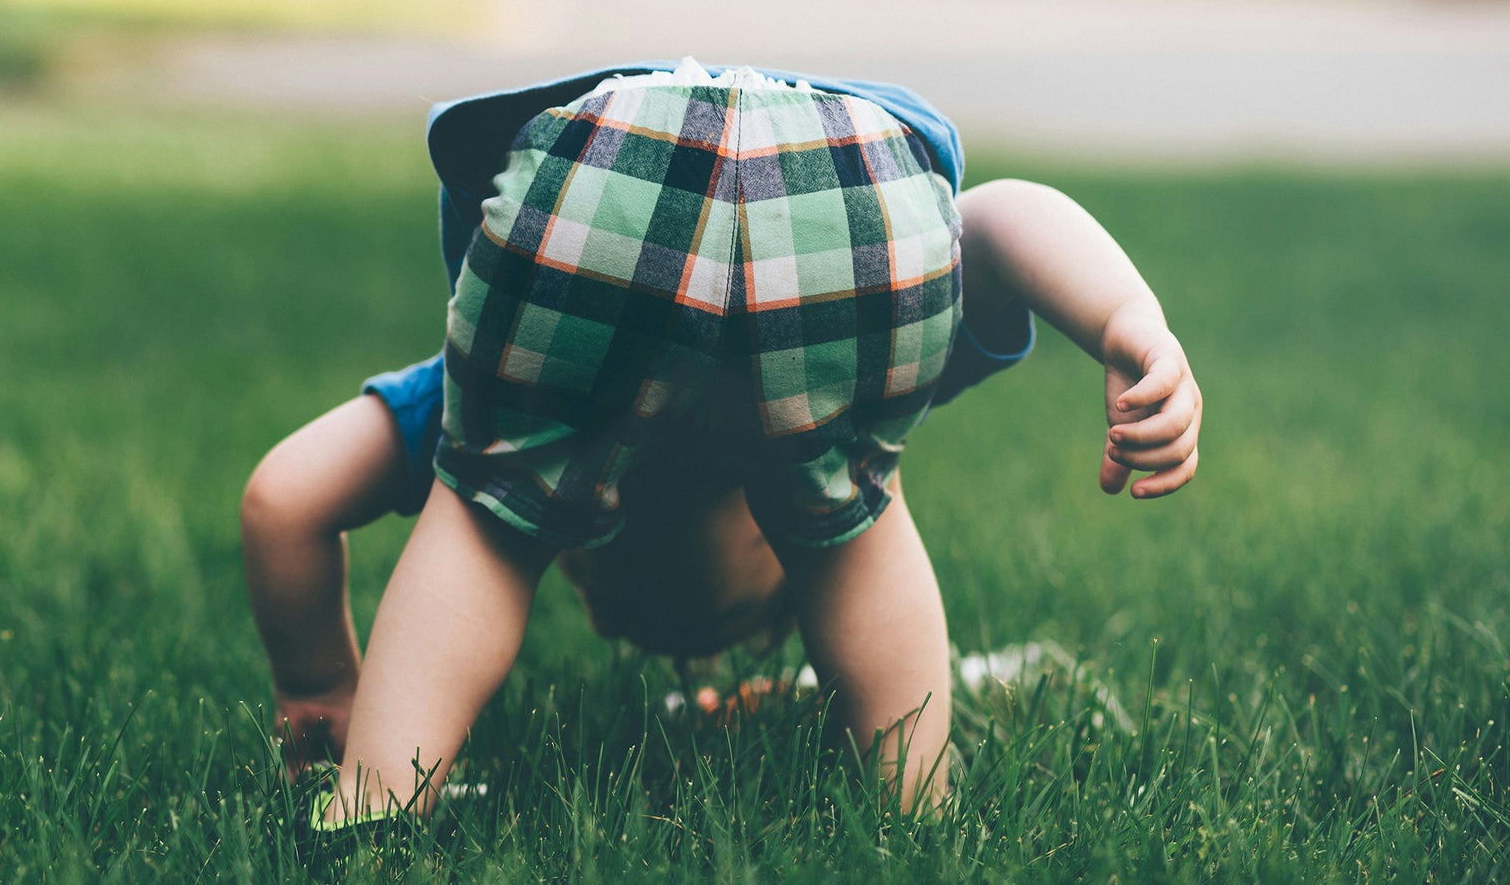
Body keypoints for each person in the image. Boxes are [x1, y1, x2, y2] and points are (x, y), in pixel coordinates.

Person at [242, 60, 1201, 838]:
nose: (594, 578)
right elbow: (995, 219)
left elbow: (283, 497)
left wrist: (317, 679)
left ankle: (376, 805)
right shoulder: (803, 395)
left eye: (585, 570)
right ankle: (914, 815)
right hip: (802, 170)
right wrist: (1127, 318)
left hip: (708, 166)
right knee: (842, 517)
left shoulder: (513, 399)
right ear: (764, 522)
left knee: (503, 515)